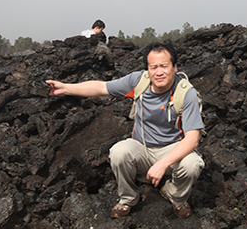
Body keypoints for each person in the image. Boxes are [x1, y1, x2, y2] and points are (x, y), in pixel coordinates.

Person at [45, 41, 204, 219]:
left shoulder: (186, 93)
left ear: (174, 67)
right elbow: (101, 87)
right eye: (153, 67)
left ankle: (175, 195)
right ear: (147, 69)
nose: (159, 72)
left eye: (164, 66)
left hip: (172, 149)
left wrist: (162, 164)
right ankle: (128, 198)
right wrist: (65, 88)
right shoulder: (139, 82)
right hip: (142, 146)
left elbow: (192, 139)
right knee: (119, 152)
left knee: (193, 164)